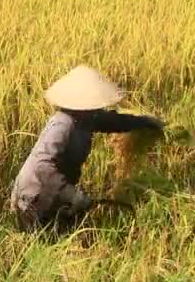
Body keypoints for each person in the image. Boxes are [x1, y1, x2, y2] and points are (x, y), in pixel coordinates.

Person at [9, 65, 165, 234]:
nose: (99, 108)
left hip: (55, 191)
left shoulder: (86, 119)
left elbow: (113, 121)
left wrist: (145, 122)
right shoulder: (63, 124)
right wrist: (72, 195)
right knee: (45, 242)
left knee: (62, 234)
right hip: (34, 198)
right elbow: (42, 166)